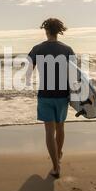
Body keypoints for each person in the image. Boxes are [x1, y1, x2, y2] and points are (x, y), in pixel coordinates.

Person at [27, 18, 75, 179]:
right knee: (60, 127)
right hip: (62, 95)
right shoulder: (68, 49)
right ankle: (59, 154)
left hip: (45, 94)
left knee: (49, 131)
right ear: (59, 30)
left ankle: (56, 167)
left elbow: (27, 72)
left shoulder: (37, 49)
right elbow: (74, 75)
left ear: (45, 30)